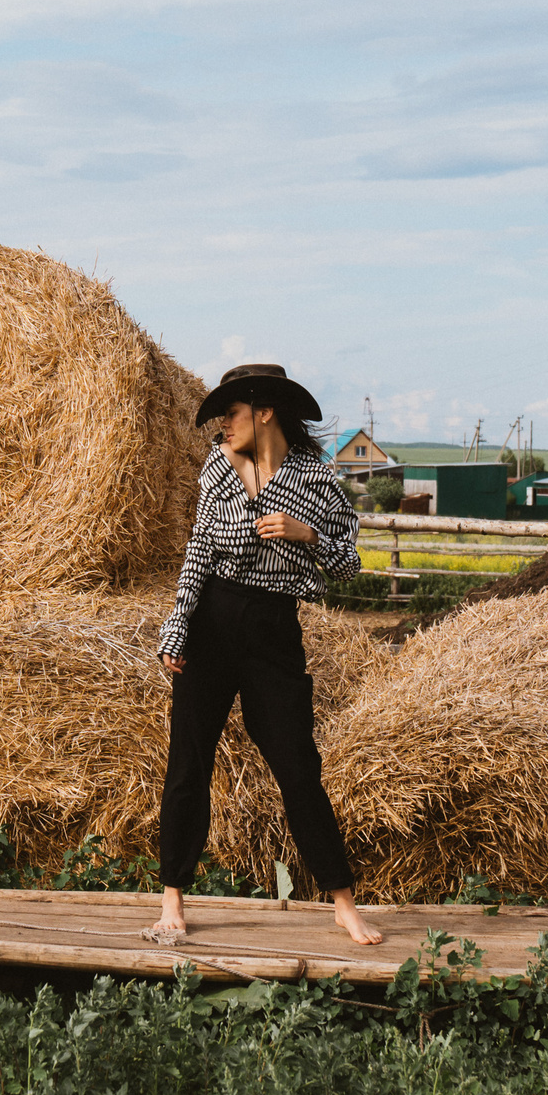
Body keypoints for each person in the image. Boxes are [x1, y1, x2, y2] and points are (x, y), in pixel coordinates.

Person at [150, 363, 382, 947]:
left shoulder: (316, 480)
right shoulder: (217, 471)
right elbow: (198, 552)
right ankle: (172, 898)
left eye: (231, 414)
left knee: (298, 765)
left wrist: (309, 537)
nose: (223, 425)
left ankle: (343, 903)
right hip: (212, 623)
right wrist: (177, 628)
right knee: (188, 764)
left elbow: (350, 562)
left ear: (265, 411)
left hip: (274, 631)